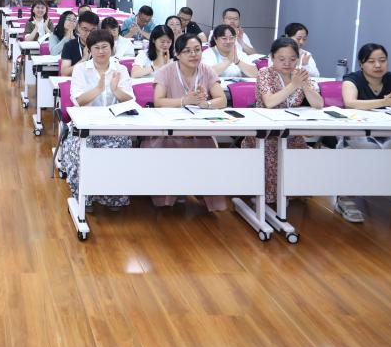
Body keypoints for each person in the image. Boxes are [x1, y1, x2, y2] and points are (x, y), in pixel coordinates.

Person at [337, 43, 391, 227]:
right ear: (361, 64)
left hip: (387, 134)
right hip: (356, 134)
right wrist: (384, 102)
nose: (378, 65)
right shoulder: (352, 79)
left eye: (382, 60)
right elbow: (350, 103)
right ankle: (345, 198)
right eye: (371, 61)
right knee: (365, 148)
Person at [148, 33, 229, 212]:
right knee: (168, 152)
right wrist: (185, 101)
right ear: (177, 54)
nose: (194, 55)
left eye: (197, 50)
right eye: (187, 51)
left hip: (199, 130)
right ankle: (169, 196)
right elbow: (158, 102)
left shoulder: (206, 70)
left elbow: (222, 99)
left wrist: (206, 104)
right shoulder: (165, 71)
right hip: (169, 132)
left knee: (209, 152)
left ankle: (202, 193)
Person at [242, 37, 324, 201]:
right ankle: (270, 196)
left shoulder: (299, 74)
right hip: (266, 134)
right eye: (281, 59)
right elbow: (270, 102)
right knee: (273, 153)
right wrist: (294, 85)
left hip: (291, 132)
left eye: (292, 59)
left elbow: (318, 103)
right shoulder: (265, 73)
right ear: (272, 57)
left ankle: (292, 192)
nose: (287, 63)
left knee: (305, 155)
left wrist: (304, 85)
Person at [64, 29, 135, 212]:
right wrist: (98, 89)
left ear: (112, 48)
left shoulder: (120, 69)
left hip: (114, 124)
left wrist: (115, 90)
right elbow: (78, 101)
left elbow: (130, 100)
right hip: (85, 124)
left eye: (105, 47)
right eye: (96, 48)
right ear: (89, 50)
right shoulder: (81, 69)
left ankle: (112, 197)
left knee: (119, 154)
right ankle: (84, 197)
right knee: (81, 152)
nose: (101, 51)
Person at [60, 10, 99, 76]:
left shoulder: (102, 46)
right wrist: (84, 59)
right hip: (75, 81)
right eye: (85, 29)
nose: (88, 34)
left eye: (93, 30)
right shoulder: (69, 46)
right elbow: (64, 73)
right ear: (78, 27)